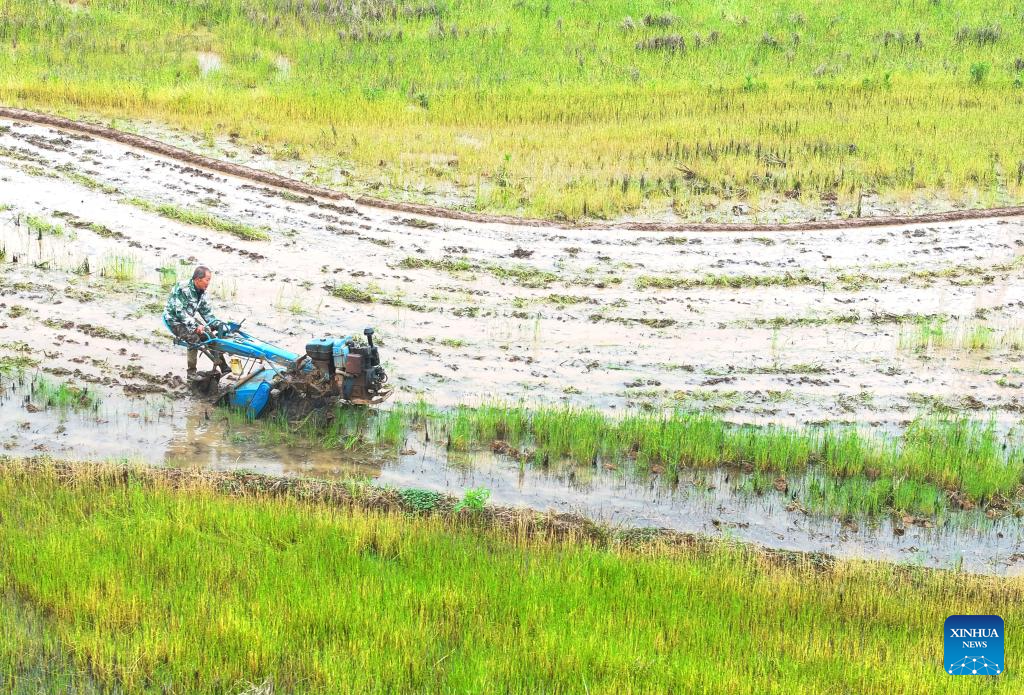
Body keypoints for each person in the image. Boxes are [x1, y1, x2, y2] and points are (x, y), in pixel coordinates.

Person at [163, 265, 229, 379]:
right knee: (194, 339)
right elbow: (179, 312)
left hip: (189, 319)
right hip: (174, 320)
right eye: (207, 280)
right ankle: (191, 373)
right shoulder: (182, 288)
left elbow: (206, 312)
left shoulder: (202, 292)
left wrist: (219, 325)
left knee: (210, 336)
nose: (208, 283)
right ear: (198, 279)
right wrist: (195, 326)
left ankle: (223, 366)